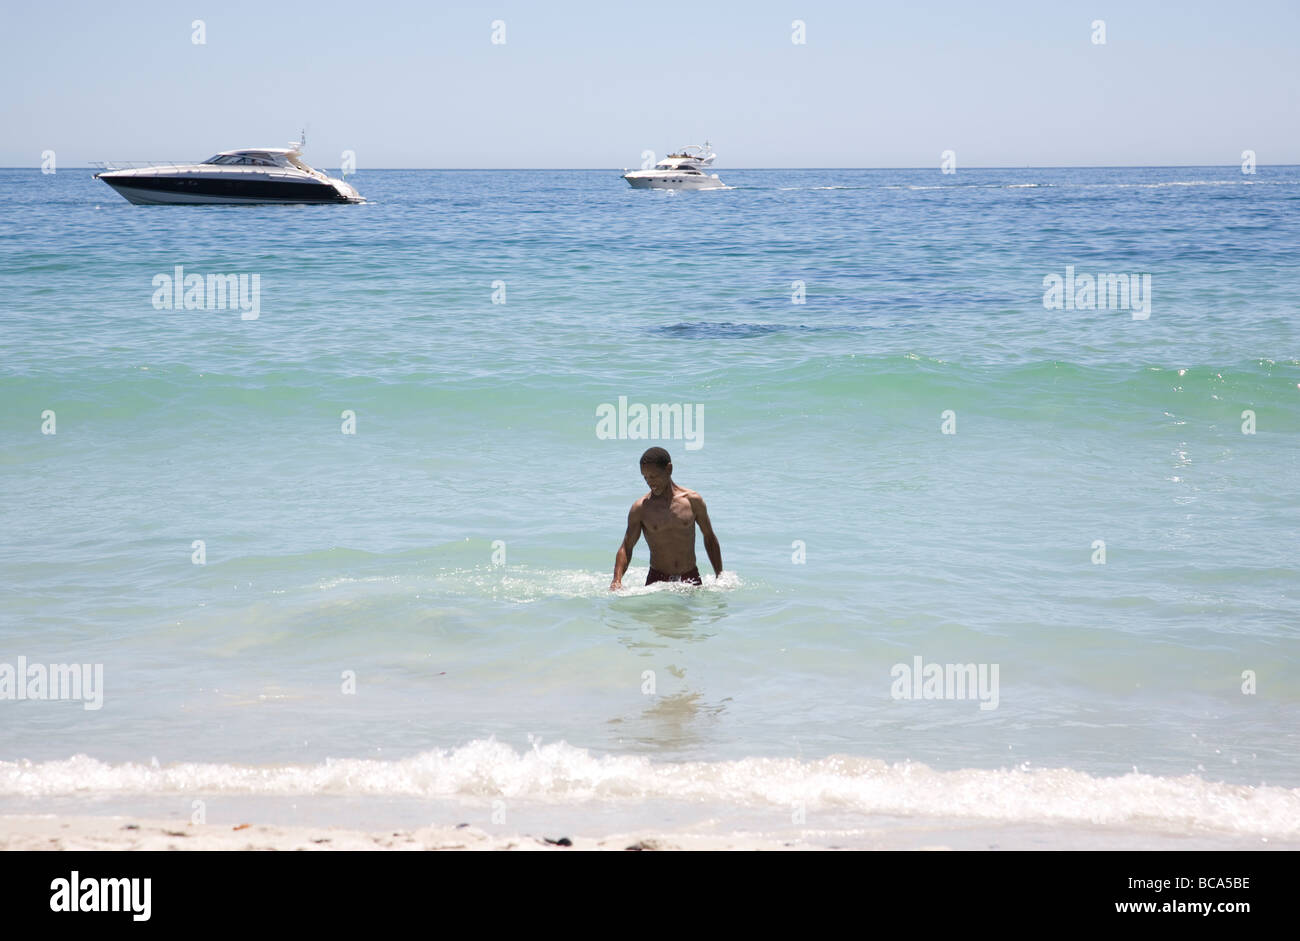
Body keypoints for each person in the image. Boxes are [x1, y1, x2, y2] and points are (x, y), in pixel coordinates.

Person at [610, 447, 723, 590]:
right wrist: (617, 580)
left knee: (690, 613)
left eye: (653, 476)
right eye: (645, 477)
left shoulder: (693, 501)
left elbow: (709, 537)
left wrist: (720, 576)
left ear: (669, 469)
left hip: (690, 577)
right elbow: (626, 547)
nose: (649, 482)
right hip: (657, 579)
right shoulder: (641, 508)